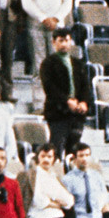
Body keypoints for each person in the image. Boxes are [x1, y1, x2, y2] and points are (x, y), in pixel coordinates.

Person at [21, 0, 72, 90]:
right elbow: (27, 2)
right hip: (36, 25)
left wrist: (56, 18)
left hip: (57, 27)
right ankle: (39, 102)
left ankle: (58, 102)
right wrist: (43, 18)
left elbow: (68, 2)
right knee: (40, 65)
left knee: (58, 64)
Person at [38, 28, 93, 159]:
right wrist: (67, 100)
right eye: (60, 41)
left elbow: (85, 85)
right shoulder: (48, 63)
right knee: (56, 148)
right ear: (54, 42)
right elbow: (50, 87)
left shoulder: (78, 63)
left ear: (71, 42)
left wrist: (84, 102)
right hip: (57, 112)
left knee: (74, 152)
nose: (64, 44)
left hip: (76, 114)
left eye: (66, 41)